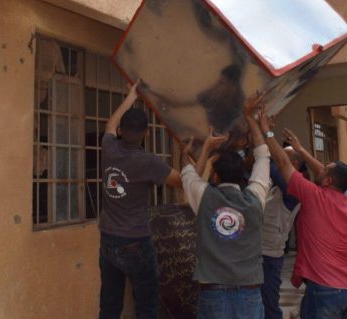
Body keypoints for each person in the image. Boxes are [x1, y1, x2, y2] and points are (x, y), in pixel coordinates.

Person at [251, 98, 347, 319]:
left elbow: (282, 162)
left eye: (324, 169)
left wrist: (266, 131)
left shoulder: (313, 195)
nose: (320, 168)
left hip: (325, 288)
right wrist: (341, 242)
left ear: (328, 180)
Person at [180, 94, 271, 319]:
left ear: (215, 176)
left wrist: (200, 149)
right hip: (249, 292)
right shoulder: (255, 199)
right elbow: (263, 156)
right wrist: (249, 117)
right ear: (242, 176)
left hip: (213, 292)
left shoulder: (204, 197)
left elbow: (188, 172)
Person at [98, 79, 183, 319]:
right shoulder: (147, 162)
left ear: (121, 131)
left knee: (109, 306)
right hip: (136, 241)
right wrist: (195, 154)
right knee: (146, 306)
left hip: (108, 239)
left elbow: (110, 124)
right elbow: (180, 181)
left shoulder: (109, 148)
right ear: (147, 133)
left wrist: (131, 97)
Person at [261, 142, 303, 319]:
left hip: (269, 254)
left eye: (281, 159)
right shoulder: (276, 186)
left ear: (294, 164)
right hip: (260, 251)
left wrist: (264, 142)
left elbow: (270, 166)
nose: (278, 162)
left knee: (269, 304)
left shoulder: (295, 187)